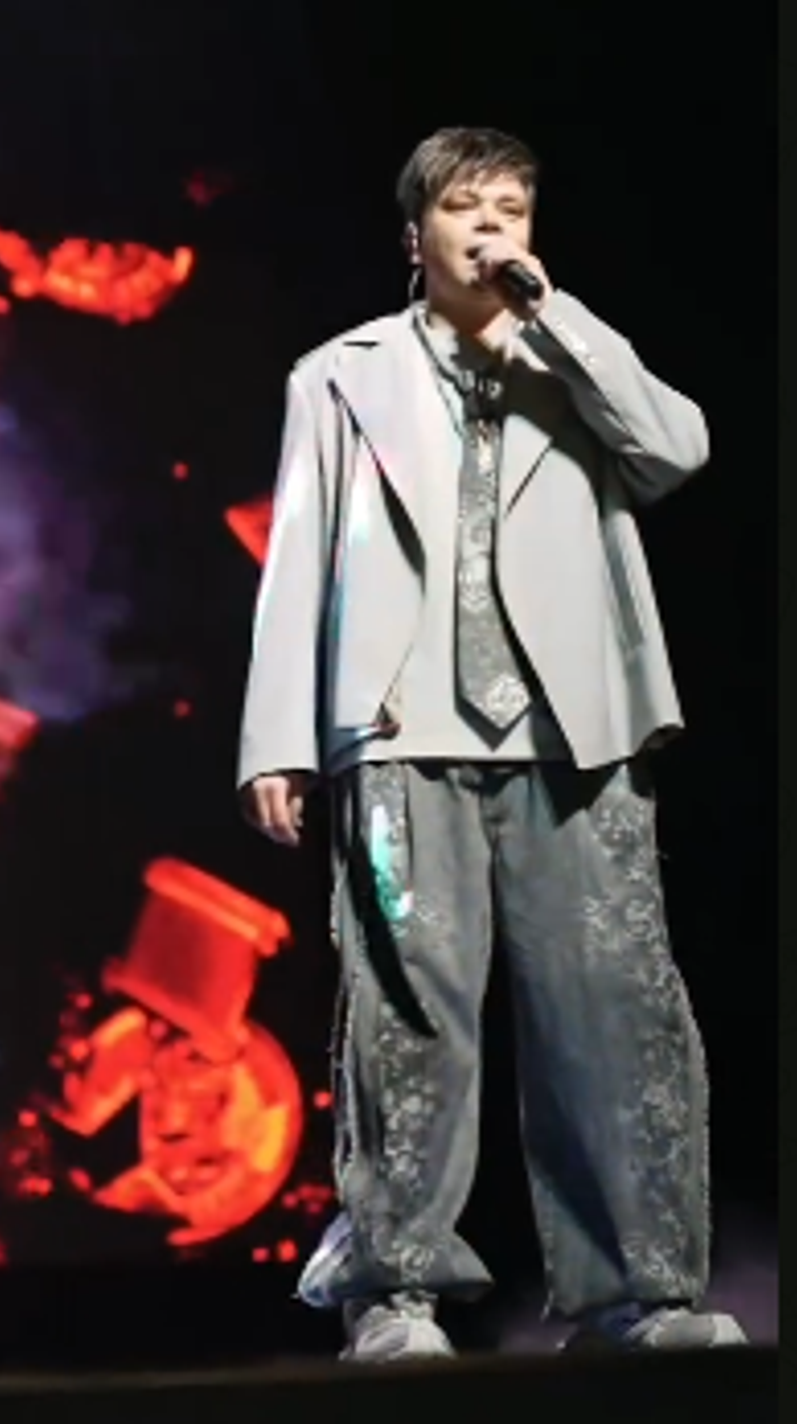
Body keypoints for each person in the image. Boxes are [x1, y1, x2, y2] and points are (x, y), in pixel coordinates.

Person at [236, 126, 745, 1360]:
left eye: (510, 207)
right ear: (415, 235)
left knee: (611, 1004)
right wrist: (276, 738)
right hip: (401, 725)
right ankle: (393, 1290)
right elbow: (296, 558)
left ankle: (642, 1291)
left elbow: (677, 449)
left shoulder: (571, 358)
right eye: (465, 207)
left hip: (574, 728)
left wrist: (558, 322)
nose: (489, 227)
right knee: (409, 1010)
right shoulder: (341, 374)